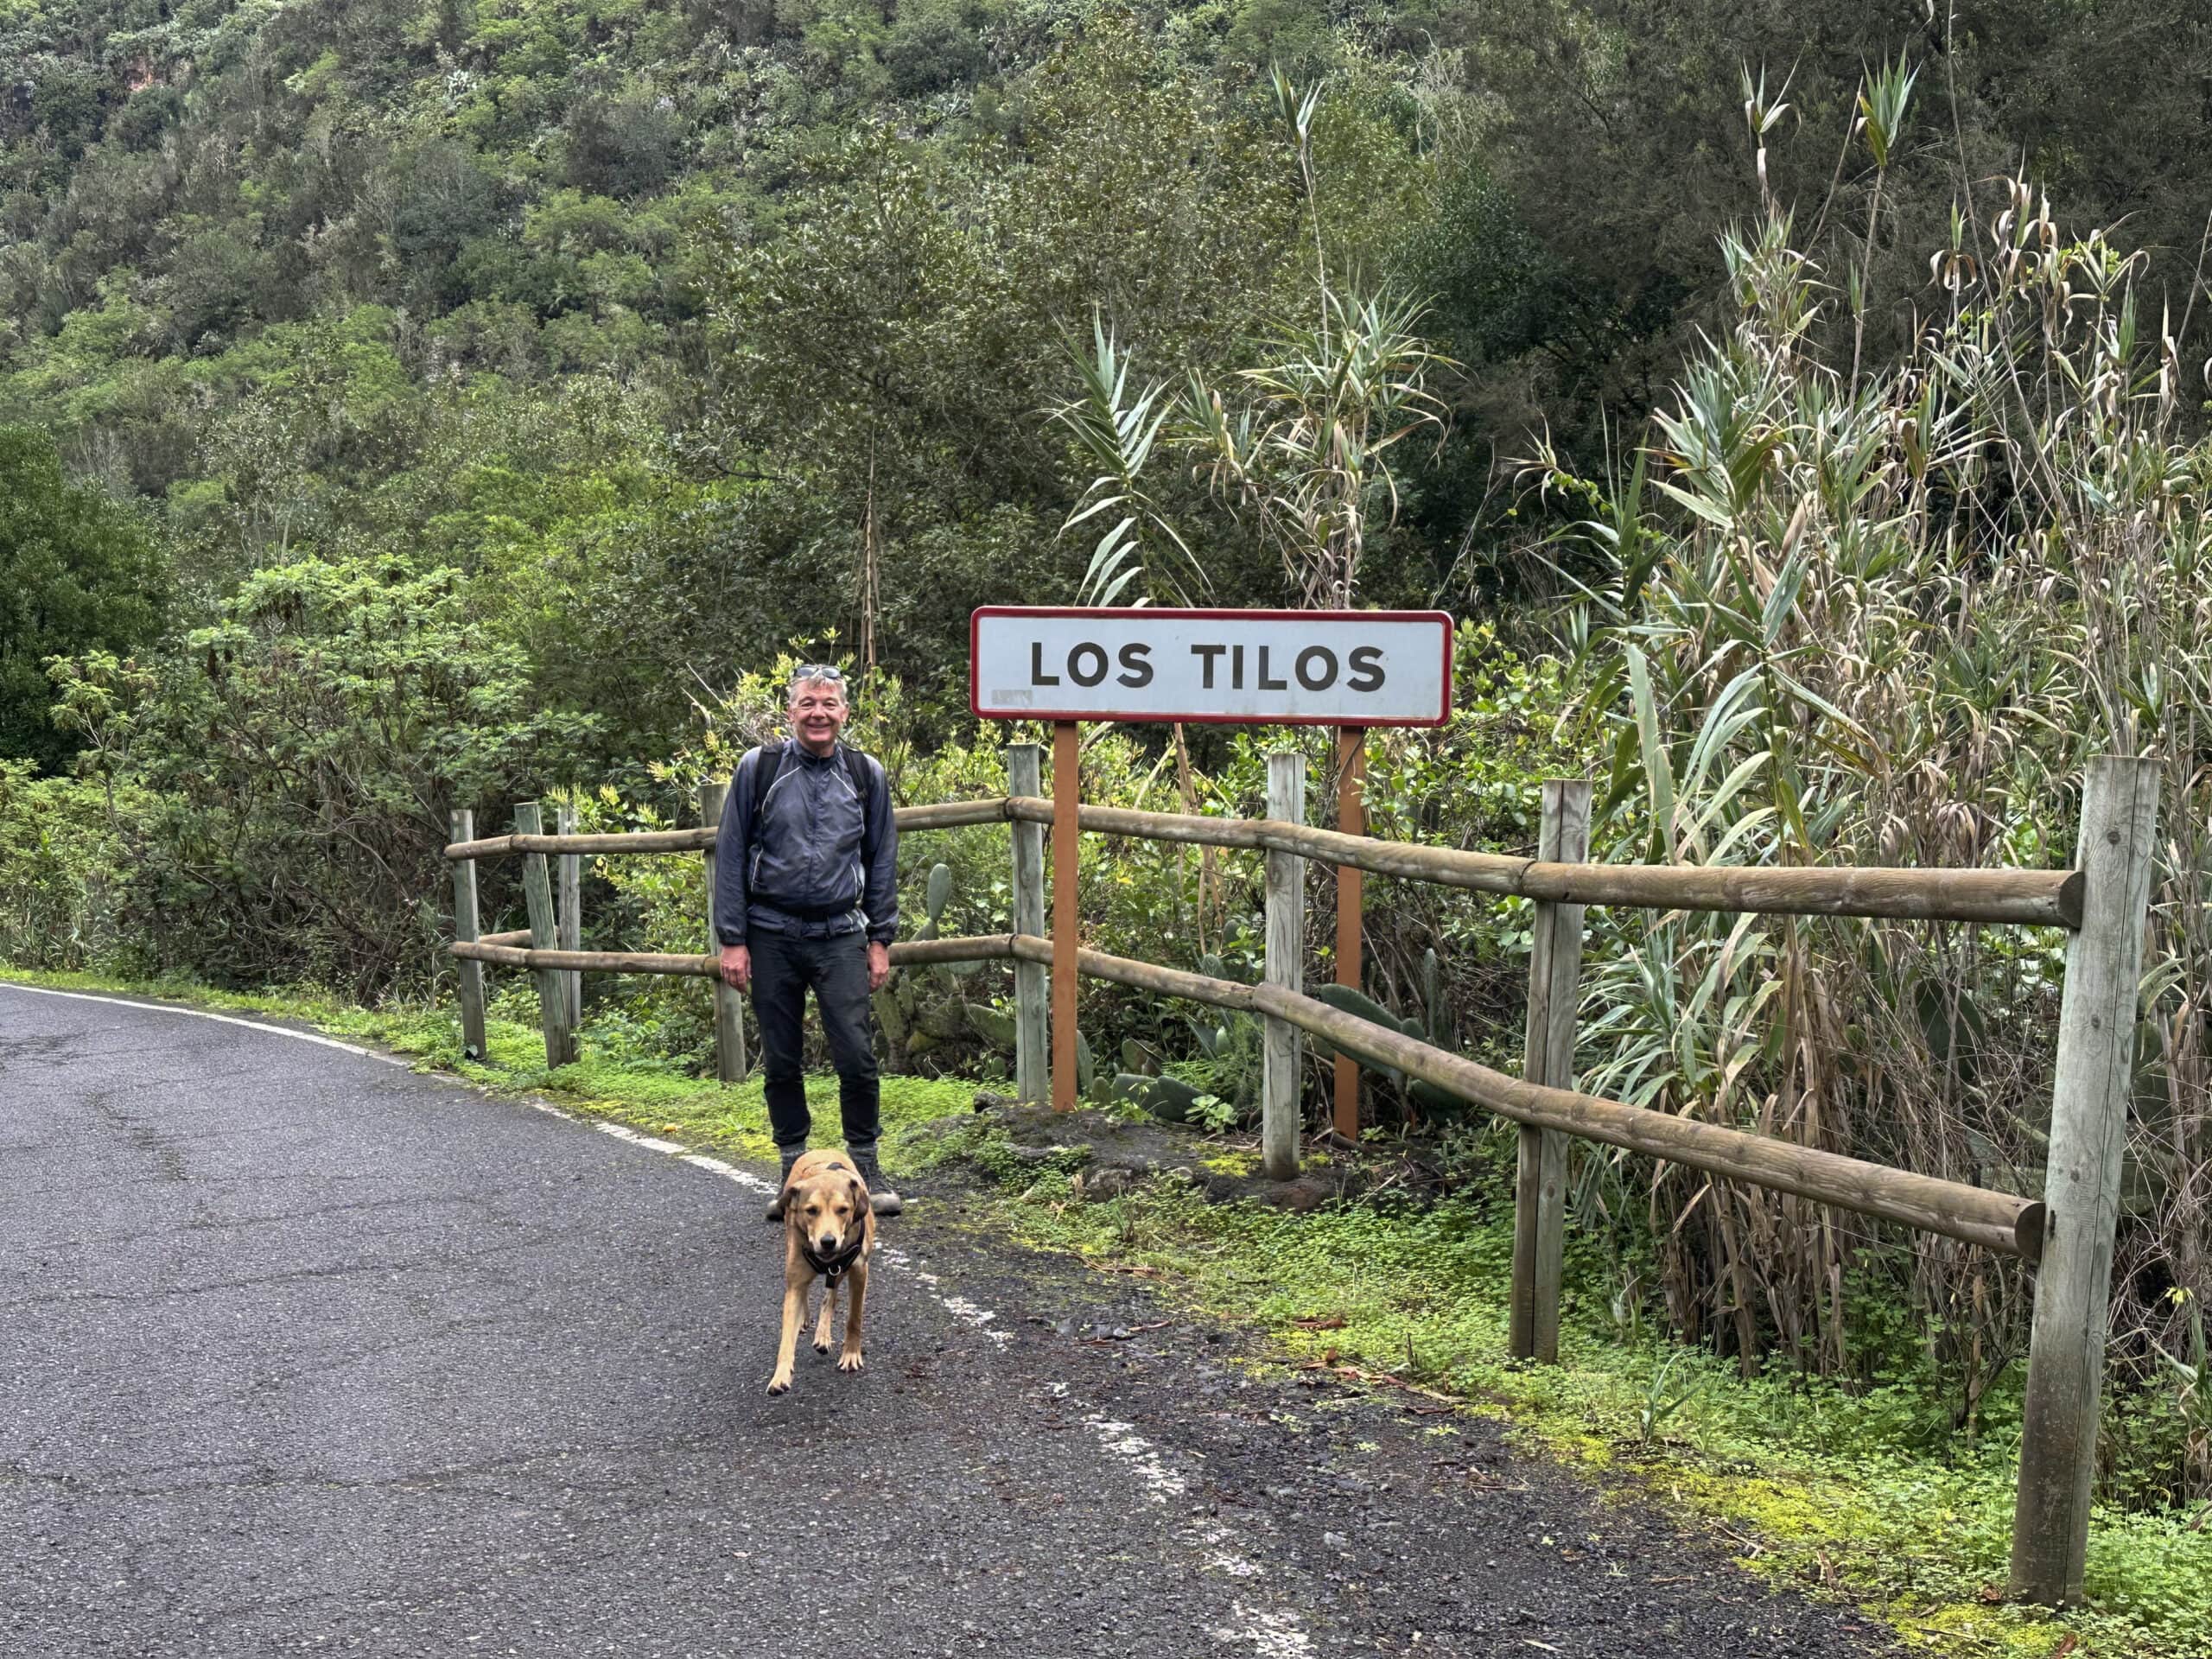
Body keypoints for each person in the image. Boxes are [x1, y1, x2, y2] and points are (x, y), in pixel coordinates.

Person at [715, 666, 902, 1219]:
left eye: (829, 703)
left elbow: (881, 858)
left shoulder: (865, 774)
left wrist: (880, 937)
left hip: (841, 932)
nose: (818, 713)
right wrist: (732, 939)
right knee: (780, 1058)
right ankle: (793, 1170)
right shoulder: (760, 769)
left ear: (845, 712)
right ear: (790, 712)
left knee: (857, 1055)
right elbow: (730, 855)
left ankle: (864, 1166)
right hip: (770, 931)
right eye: (807, 703)